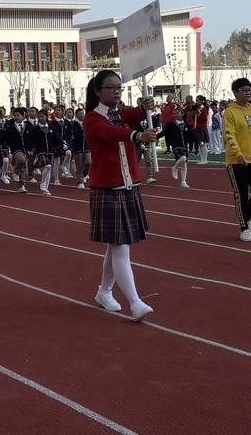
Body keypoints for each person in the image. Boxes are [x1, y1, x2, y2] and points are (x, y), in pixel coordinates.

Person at [83, 69, 156, 322]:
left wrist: (145, 105)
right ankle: (135, 302)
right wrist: (136, 134)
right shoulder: (92, 119)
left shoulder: (122, 113)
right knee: (120, 247)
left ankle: (104, 291)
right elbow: (111, 133)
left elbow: (138, 115)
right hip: (107, 189)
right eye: (111, 88)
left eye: (119, 87)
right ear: (97, 91)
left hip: (129, 186)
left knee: (115, 247)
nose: (116, 92)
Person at [223, 78, 251, 242]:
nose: (248, 92)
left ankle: (247, 218)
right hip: (237, 161)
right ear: (235, 92)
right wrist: (237, 153)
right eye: (244, 89)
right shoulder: (230, 112)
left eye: (249, 89)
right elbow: (229, 134)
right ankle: (244, 228)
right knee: (240, 195)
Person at [157, 107, 190, 188]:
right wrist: (155, 137)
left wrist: (199, 141)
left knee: (184, 164)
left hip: (184, 146)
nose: (175, 114)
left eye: (177, 113)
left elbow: (192, 133)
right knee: (183, 158)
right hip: (176, 145)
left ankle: (183, 181)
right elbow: (164, 132)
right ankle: (174, 167)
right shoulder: (171, 125)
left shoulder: (186, 124)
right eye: (174, 113)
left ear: (182, 114)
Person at [5, 107, 34, 193]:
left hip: (25, 148)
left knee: (23, 166)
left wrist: (30, 147)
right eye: (15, 115)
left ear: (23, 116)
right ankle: (15, 171)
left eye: (18, 115)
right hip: (15, 148)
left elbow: (31, 138)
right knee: (21, 160)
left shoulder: (27, 126)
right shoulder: (10, 127)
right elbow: (6, 137)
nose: (16, 117)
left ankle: (22, 186)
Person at [72, 107, 91, 189]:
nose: (82, 115)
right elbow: (73, 135)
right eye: (80, 114)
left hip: (87, 146)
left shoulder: (87, 123)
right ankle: (80, 181)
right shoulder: (74, 124)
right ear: (76, 115)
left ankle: (84, 174)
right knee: (79, 165)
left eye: (83, 113)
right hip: (78, 146)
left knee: (88, 162)